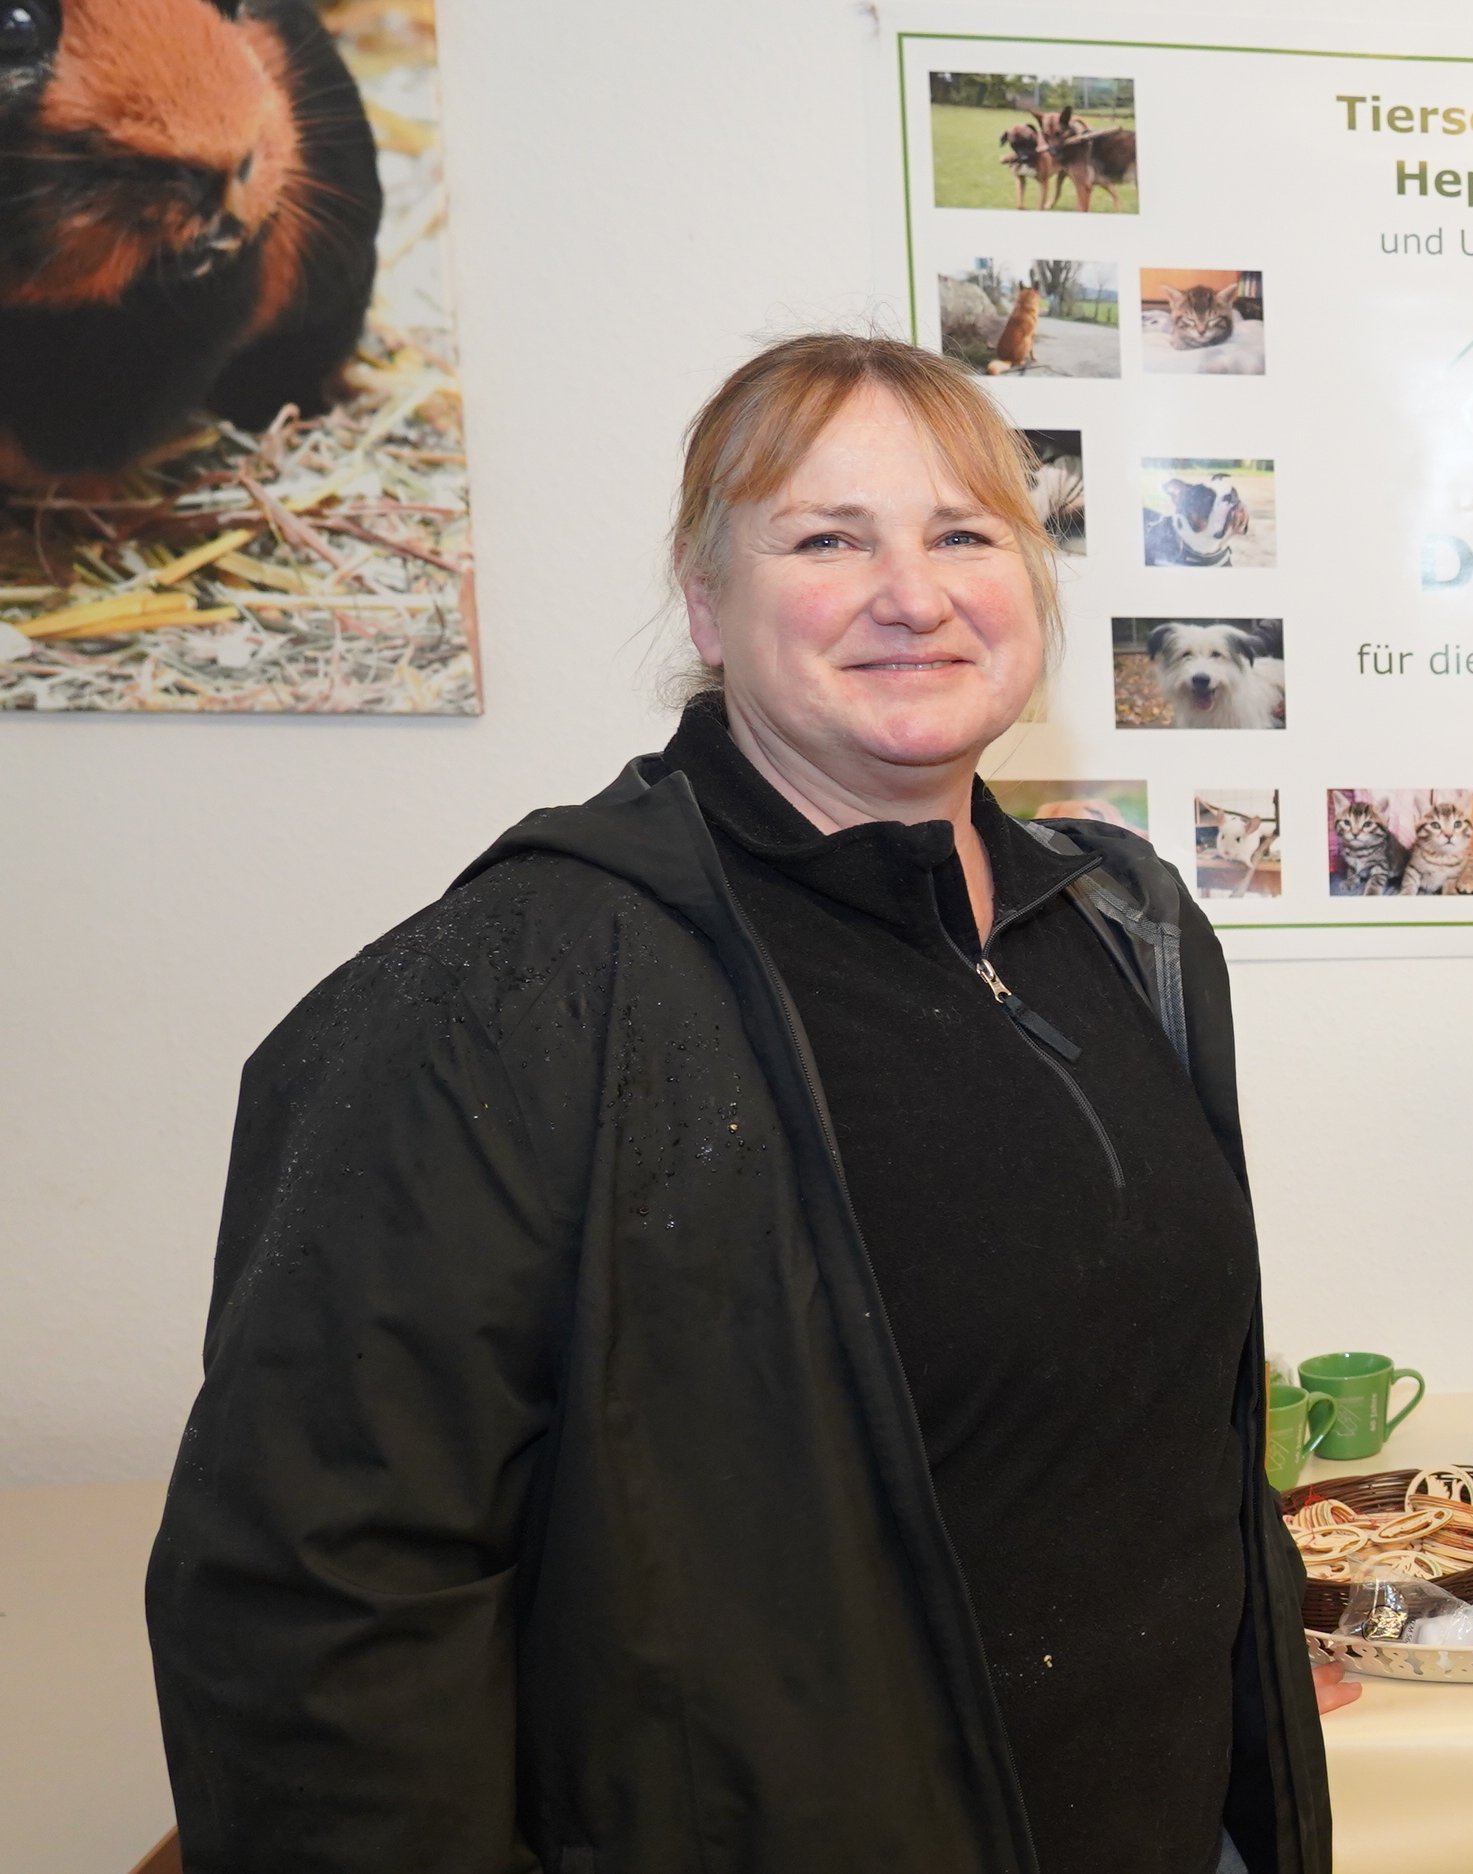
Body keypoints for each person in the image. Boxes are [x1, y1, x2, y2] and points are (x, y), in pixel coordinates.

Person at [145, 335, 1341, 1873]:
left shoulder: (1124, 931)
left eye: (963, 533)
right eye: (828, 537)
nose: (912, 592)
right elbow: (319, 1604)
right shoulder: (513, 990)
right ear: (707, 604)